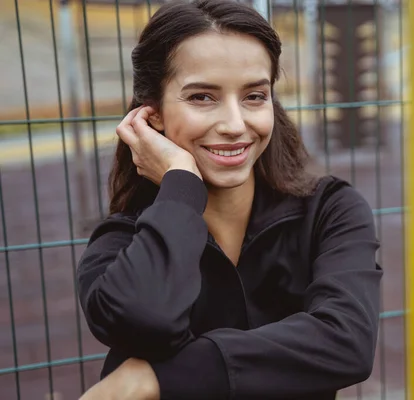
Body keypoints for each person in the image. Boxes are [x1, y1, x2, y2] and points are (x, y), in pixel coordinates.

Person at [76, 1, 382, 399]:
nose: (235, 125)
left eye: (255, 96)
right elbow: (145, 319)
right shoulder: (124, 242)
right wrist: (181, 183)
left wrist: (154, 378)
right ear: (153, 116)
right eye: (202, 97)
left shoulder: (329, 211)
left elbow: (347, 342)